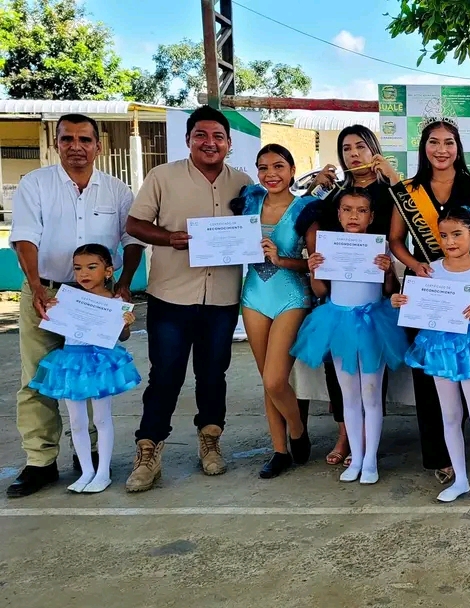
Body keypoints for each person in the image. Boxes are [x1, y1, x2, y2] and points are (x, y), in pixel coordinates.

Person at [7, 113, 144, 498]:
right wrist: (37, 288)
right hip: (48, 293)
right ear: (57, 144)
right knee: (38, 377)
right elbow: (25, 237)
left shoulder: (117, 190)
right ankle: (41, 460)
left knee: (93, 375)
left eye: (85, 139)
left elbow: (132, 240)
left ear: (98, 146)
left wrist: (124, 285)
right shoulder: (36, 184)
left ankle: (94, 458)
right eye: (67, 139)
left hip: (96, 299)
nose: (76, 147)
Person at [124, 105, 253, 492]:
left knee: (213, 374)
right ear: (188, 140)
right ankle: (148, 449)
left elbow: (258, 226)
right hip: (170, 296)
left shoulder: (244, 183)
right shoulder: (162, 176)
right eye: (201, 135)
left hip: (222, 298)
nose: (210, 143)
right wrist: (169, 238)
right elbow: (135, 224)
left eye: (218, 137)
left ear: (229, 143)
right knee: (165, 375)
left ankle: (210, 440)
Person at [389, 119, 470, 485]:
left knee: (465, 375)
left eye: (449, 142)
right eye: (434, 142)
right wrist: (414, 265)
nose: (441, 149)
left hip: (467, 288)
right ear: (424, 147)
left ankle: (462, 453)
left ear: (458, 148)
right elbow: (395, 241)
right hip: (427, 288)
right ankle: (440, 458)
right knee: (429, 379)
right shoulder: (409, 191)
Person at [392, 206, 470, 515]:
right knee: (449, 415)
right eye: (444, 235)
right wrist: (400, 301)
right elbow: (417, 306)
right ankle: (460, 479)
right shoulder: (430, 270)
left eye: (457, 234)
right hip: (440, 346)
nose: (449, 241)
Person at [293, 187, 408, 484]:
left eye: (361, 210)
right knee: (349, 396)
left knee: (371, 393)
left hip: (373, 323)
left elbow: (389, 291)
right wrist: (314, 269)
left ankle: (370, 460)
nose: (354, 216)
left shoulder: (380, 247)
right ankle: (356, 458)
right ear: (339, 213)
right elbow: (321, 291)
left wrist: (387, 272)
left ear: (371, 216)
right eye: (347, 209)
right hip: (338, 322)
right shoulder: (328, 247)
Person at [304, 125, 399, 466]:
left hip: (374, 296)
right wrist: (315, 188)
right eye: (346, 148)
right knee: (342, 378)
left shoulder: (389, 190)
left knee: (371, 381)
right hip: (337, 297)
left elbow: (411, 216)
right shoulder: (334, 193)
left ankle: (367, 449)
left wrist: (394, 178)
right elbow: (305, 217)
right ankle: (347, 437)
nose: (354, 153)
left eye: (361, 146)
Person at [231, 144, 316, 479]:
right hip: (254, 294)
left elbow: (314, 264)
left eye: (279, 166)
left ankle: (297, 429)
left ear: (293, 170)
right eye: (263, 167)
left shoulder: (306, 209)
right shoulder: (249, 203)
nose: (271, 174)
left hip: (291, 295)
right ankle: (280, 450)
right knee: (266, 378)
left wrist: (281, 259)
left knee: (275, 378)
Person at [29, 244, 140, 493]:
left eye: (91, 267)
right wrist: (53, 310)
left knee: (101, 417)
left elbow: (122, 337)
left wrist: (125, 323)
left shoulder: (116, 302)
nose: (84, 273)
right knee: (77, 421)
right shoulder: (68, 299)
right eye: (78, 268)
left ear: (108, 271)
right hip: (71, 362)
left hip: (99, 363)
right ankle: (86, 471)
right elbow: (56, 325)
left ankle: (102, 472)